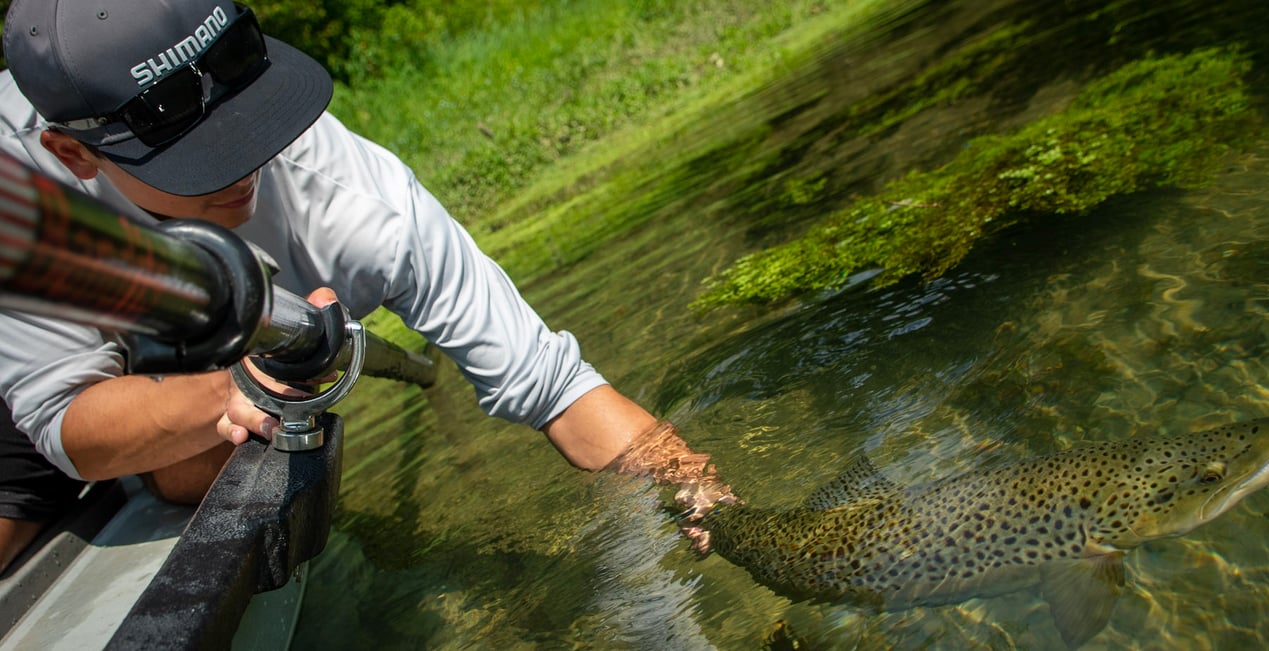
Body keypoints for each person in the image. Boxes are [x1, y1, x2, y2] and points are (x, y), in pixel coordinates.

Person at [0, 0, 732, 571]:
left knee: (234, 452)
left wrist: (704, 491)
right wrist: (224, 394)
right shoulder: (18, 194)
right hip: (33, 324)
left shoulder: (358, 206)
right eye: (198, 157)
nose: (245, 166)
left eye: (249, 123)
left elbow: (554, 385)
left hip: (194, 336)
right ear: (74, 152)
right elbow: (67, 427)